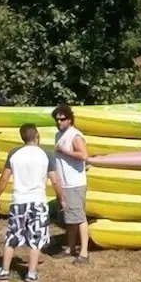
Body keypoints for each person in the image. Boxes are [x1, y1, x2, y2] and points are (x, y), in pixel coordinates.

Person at [0, 124, 65, 282]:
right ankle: (31, 274)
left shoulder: (14, 153)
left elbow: (4, 177)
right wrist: (61, 198)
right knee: (36, 238)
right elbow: (55, 179)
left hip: (19, 201)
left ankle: (4, 271)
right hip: (38, 202)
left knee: (12, 237)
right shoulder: (46, 154)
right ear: (37, 135)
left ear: (22, 137)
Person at [51, 105, 89, 264]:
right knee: (70, 218)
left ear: (70, 119)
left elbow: (84, 155)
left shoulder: (75, 136)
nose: (59, 122)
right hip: (65, 183)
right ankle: (70, 248)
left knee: (79, 218)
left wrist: (65, 152)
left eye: (62, 119)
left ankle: (84, 253)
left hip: (74, 183)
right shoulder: (59, 134)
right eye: (57, 119)